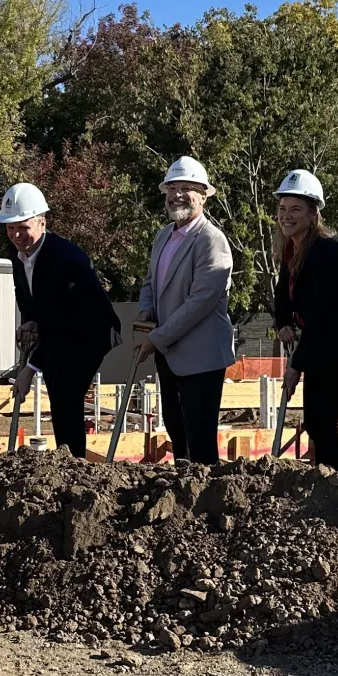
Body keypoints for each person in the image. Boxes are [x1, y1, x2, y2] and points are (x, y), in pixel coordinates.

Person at [0, 181, 121, 458]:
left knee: (66, 394)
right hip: (59, 329)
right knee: (59, 394)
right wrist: (30, 320)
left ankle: (73, 461)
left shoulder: (65, 259)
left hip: (89, 332)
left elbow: (61, 322)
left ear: (41, 222)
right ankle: (66, 456)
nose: (16, 234)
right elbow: (26, 294)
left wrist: (28, 369)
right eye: (10, 227)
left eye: (23, 227)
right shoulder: (20, 254)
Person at [134, 156, 237, 464]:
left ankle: (205, 502)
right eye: (172, 188)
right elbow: (150, 282)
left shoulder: (211, 240)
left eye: (187, 188)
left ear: (203, 196)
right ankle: (182, 497)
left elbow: (199, 304)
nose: (177, 194)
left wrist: (157, 337)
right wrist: (145, 312)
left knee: (199, 438)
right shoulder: (163, 236)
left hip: (201, 356)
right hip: (169, 353)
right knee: (177, 431)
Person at [271, 169, 338, 470]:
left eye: (295, 209)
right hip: (321, 342)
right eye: (282, 209)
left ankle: (337, 483)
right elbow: (282, 291)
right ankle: (329, 480)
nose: (286, 216)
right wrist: (283, 323)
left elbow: (323, 316)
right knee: (315, 420)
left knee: (321, 418)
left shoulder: (327, 252)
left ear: (313, 213)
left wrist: (296, 366)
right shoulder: (292, 248)